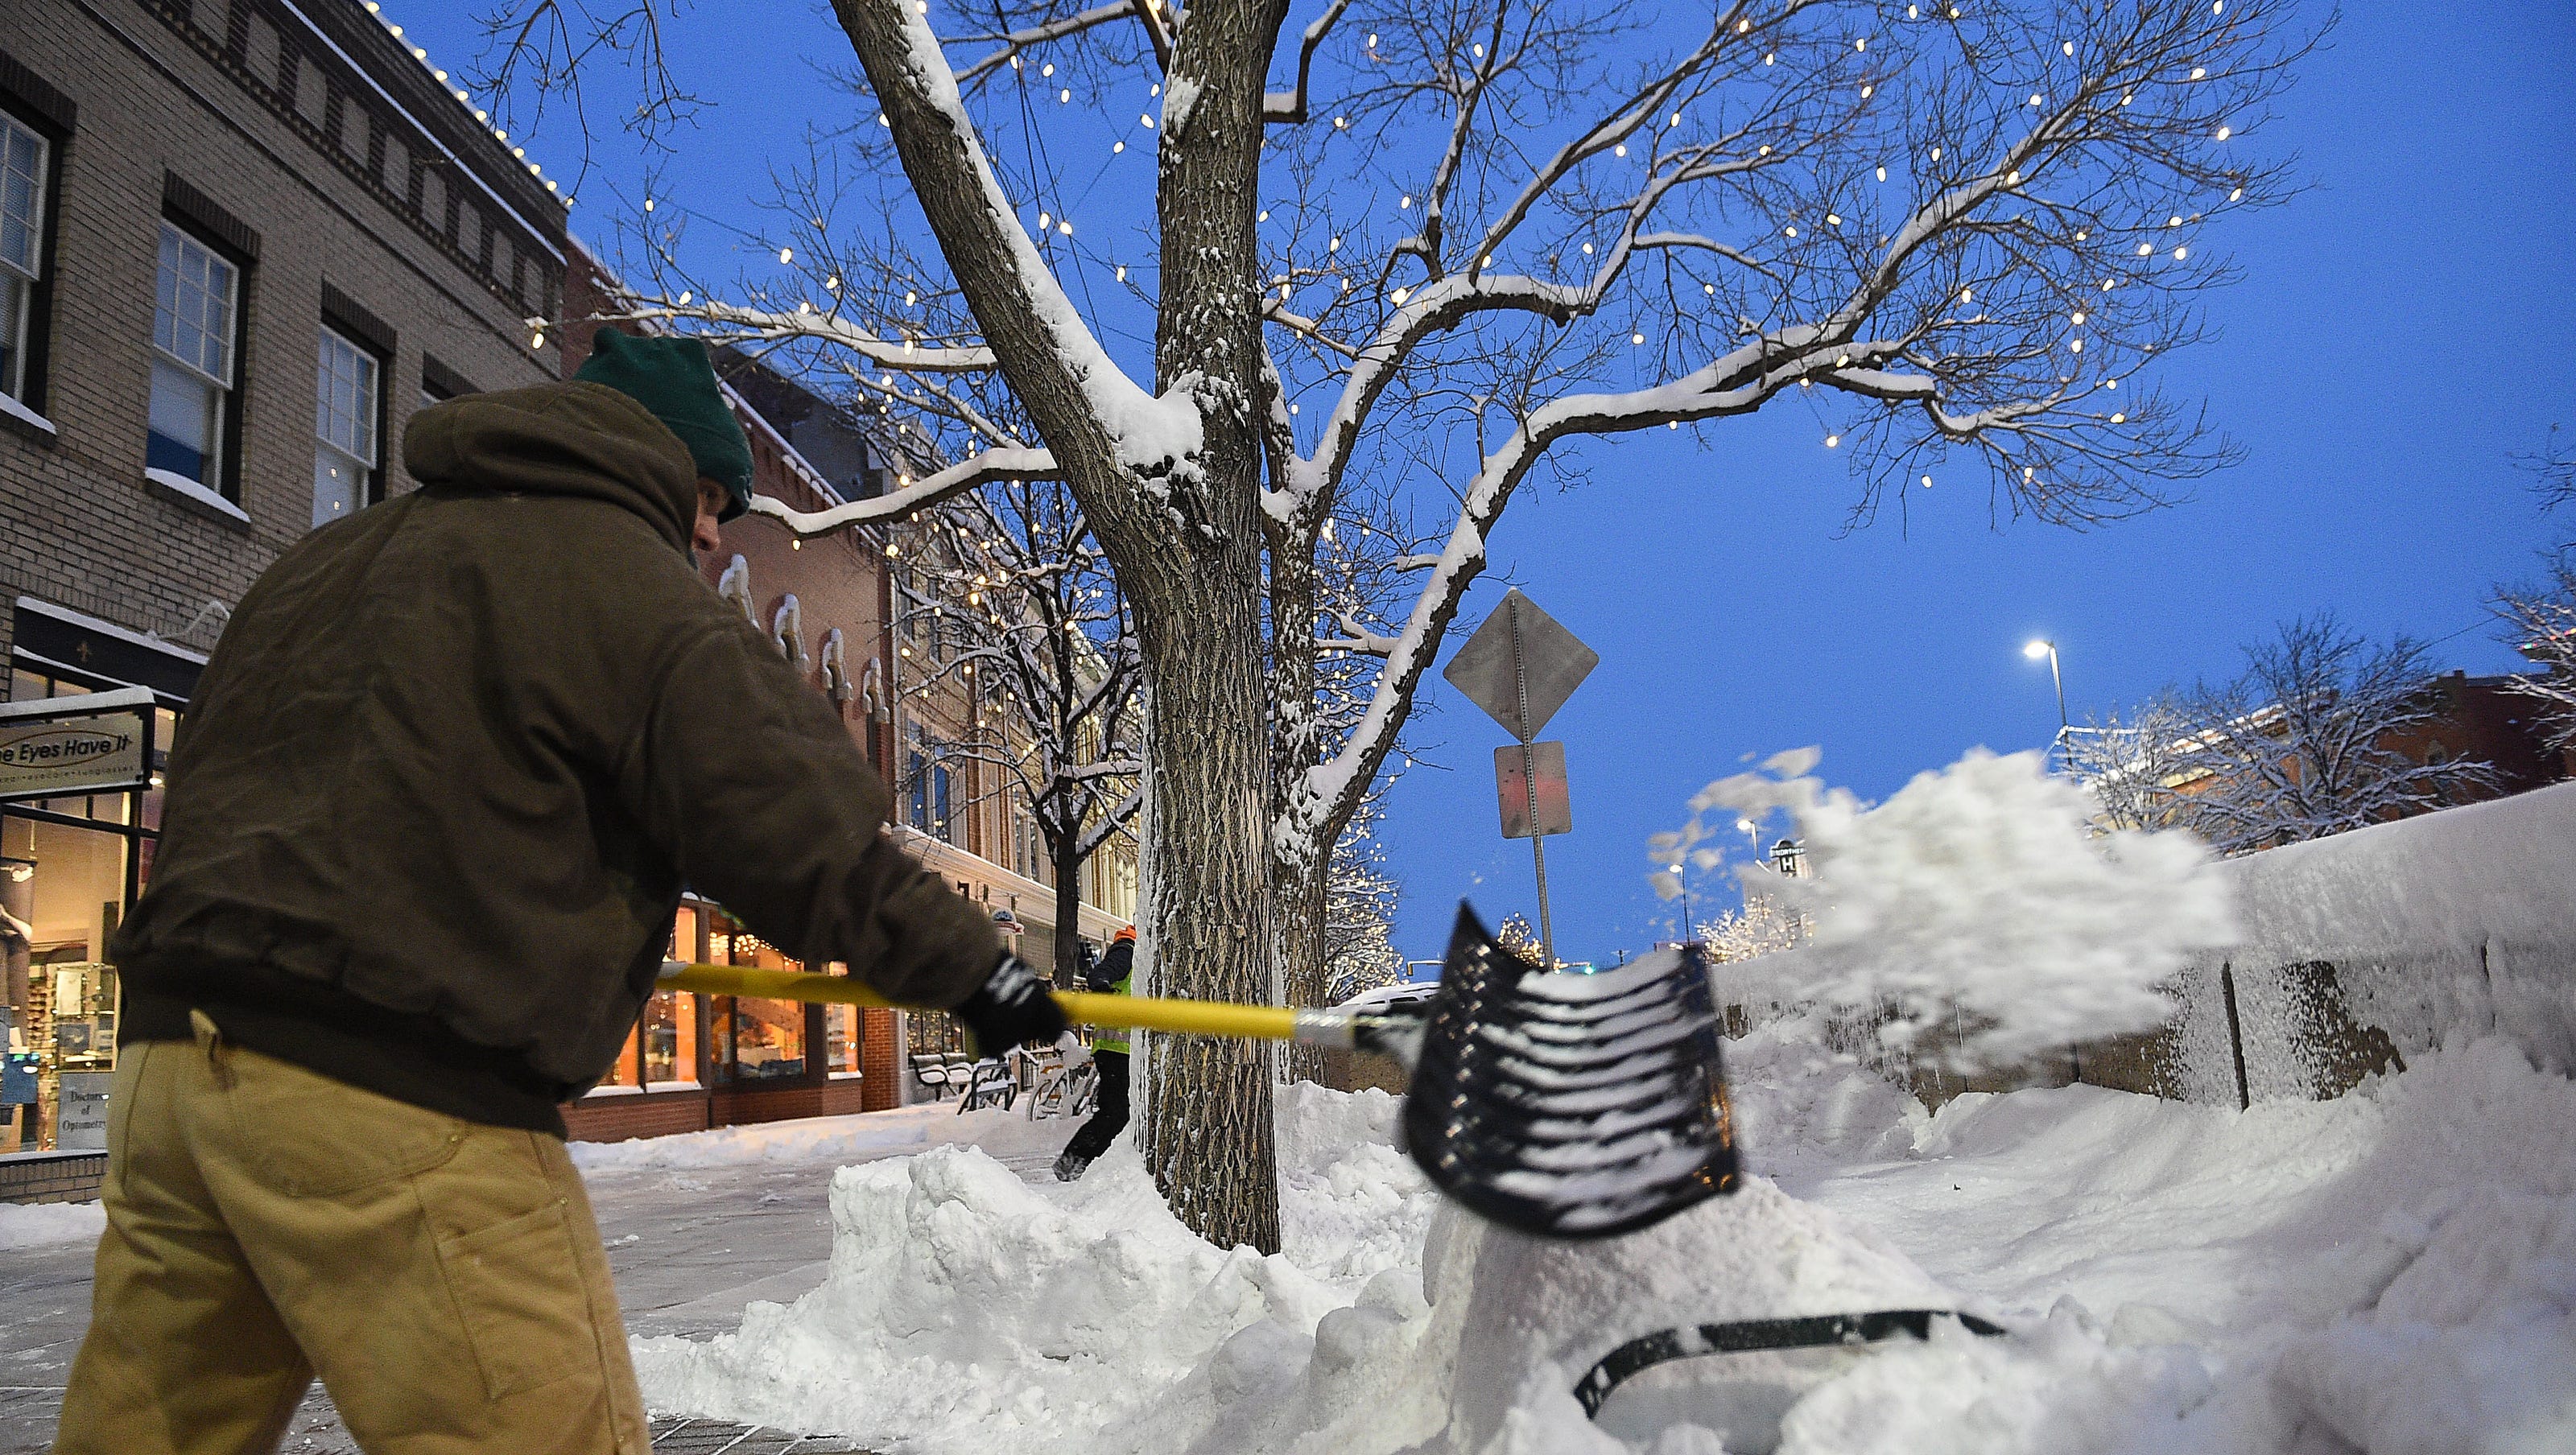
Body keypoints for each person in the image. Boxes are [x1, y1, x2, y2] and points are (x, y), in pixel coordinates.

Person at [56, 330, 1065, 1455]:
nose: (709, 533)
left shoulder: (322, 565)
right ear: (664, 471)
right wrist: (982, 972)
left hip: (168, 1079)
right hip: (388, 1089)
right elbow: (795, 827)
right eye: (710, 501)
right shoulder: (616, 581)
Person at [1053, 925, 1134, 1182]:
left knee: (1120, 1113)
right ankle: (1072, 1163)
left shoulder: (1132, 954)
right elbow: (1099, 973)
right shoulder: (1127, 952)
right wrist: (1101, 986)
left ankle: (1088, 1164)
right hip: (1116, 1050)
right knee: (1115, 1113)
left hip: (1120, 1051)